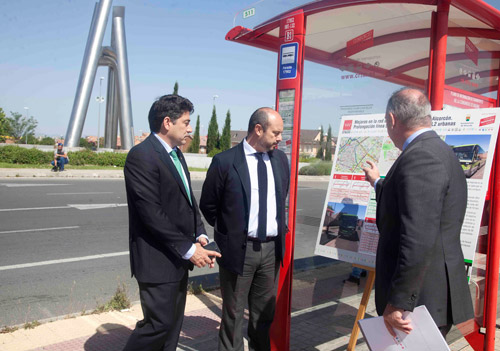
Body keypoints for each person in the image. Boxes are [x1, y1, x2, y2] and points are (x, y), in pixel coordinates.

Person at [362, 88, 473, 338]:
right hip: (429, 293)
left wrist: (398, 303)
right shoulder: (439, 150)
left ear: (392, 119)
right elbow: (414, 205)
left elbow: (417, 237)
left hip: (419, 303)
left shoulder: (420, 156)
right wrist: (378, 183)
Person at [122, 94, 221, 351]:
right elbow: (151, 212)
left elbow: (186, 200)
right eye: (186, 122)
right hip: (157, 259)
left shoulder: (175, 154)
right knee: (158, 325)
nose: (190, 128)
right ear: (167, 122)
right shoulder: (141, 156)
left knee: (172, 328)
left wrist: (199, 233)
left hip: (177, 258)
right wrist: (190, 251)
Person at [200, 107, 290, 351]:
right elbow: (208, 205)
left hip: (271, 250)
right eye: (277, 133)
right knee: (233, 314)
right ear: (258, 129)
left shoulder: (280, 160)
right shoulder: (226, 161)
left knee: (263, 315)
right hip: (240, 250)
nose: (280, 138)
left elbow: (281, 199)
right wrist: (229, 233)